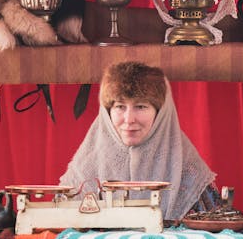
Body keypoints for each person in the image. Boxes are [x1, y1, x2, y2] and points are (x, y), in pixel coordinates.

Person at [59, 61, 220, 221]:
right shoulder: (85, 169)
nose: (129, 119)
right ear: (107, 111)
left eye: (141, 106)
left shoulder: (188, 169)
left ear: (160, 113)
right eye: (120, 106)